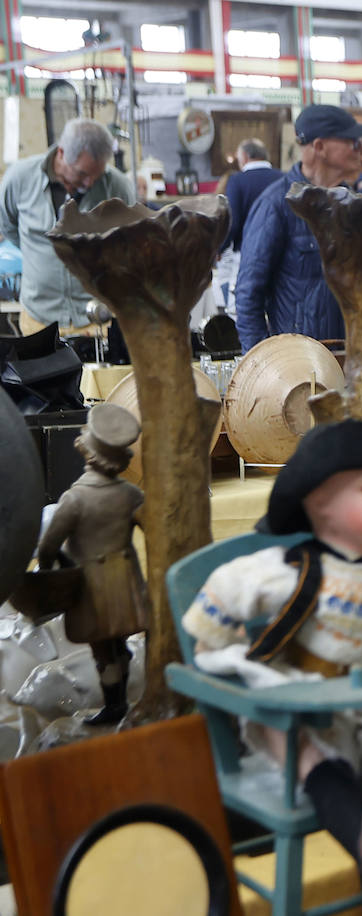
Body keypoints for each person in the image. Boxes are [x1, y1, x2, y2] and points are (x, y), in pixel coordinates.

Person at [181, 418, 362, 892]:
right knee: (275, 705)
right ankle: (351, 813)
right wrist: (213, 645)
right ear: (320, 504)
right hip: (301, 717)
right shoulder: (297, 571)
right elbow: (232, 582)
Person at [34, 404, 148, 726]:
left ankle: (115, 705)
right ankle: (121, 699)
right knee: (119, 642)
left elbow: (47, 547)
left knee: (102, 650)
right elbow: (155, 532)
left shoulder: (75, 499)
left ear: (87, 451)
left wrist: (53, 573)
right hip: (125, 581)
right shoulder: (131, 495)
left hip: (91, 586)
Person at [234, 104, 362, 351]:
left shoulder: (354, 206)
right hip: (299, 367)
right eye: (353, 142)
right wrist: (262, 368)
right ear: (319, 147)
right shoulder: (276, 205)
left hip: (351, 360)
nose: (361, 149)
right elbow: (248, 296)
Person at [0, 118, 135, 334]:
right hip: (39, 318)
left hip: (97, 319)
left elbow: (130, 243)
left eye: (96, 175)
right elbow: (8, 226)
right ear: (61, 153)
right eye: (82, 173)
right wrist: (41, 253)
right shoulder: (19, 179)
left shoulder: (118, 188)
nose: (89, 183)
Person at [216, 139, 283, 315]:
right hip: (282, 255)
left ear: (244, 157)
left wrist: (219, 248)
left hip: (247, 256)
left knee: (246, 309)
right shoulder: (283, 178)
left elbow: (233, 221)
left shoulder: (238, 181)